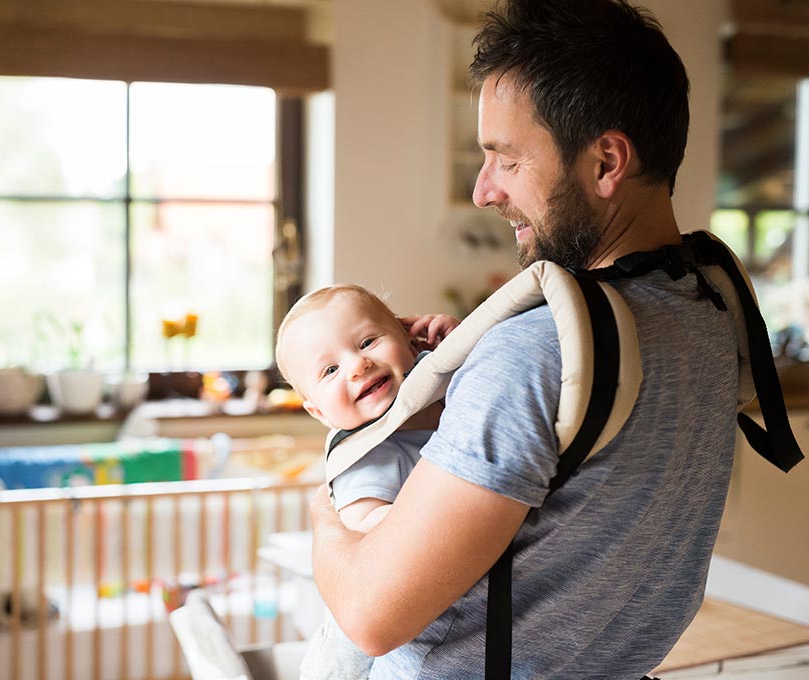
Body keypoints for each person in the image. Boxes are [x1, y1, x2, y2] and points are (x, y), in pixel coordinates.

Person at [308, 0, 742, 678]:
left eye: (504, 160)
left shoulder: (536, 353)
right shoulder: (714, 316)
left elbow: (369, 615)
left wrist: (328, 498)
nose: (483, 191)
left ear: (606, 162)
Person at [275, 284, 459, 680]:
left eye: (368, 341)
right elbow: (366, 526)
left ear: (409, 340)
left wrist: (458, 340)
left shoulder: (442, 381)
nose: (357, 366)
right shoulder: (365, 453)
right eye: (329, 370)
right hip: (360, 636)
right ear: (318, 411)